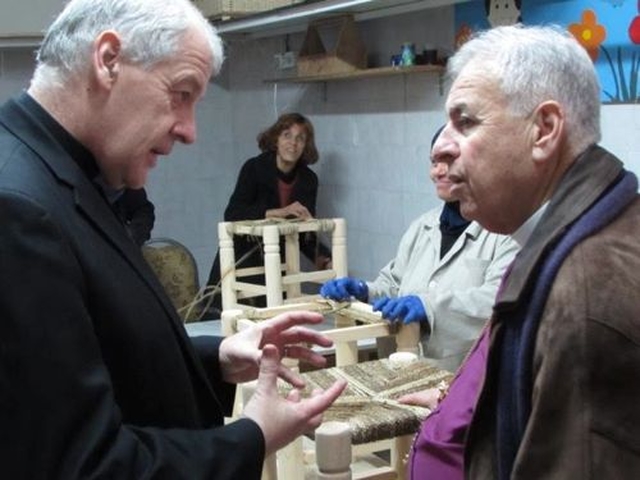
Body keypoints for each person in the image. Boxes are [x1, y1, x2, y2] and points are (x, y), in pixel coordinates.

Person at [0, 1, 346, 478]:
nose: (189, 131)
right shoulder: (17, 206)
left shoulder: (67, 176)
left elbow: (93, 361)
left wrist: (216, 357)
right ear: (108, 60)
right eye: (181, 94)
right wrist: (253, 435)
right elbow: (85, 465)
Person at [406, 24, 640, 479]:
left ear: (544, 130)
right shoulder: (569, 237)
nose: (441, 146)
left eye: (466, 122)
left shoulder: (584, 288)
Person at [320, 128, 518, 372]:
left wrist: (428, 307)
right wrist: (364, 292)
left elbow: (496, 303)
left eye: (450, 161)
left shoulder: (505, 232)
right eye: (434, 162)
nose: (439, 171)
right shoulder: (423, 227)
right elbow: (394, 285)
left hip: (468, 383)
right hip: (408, 373)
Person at [205, 113, 332, 317]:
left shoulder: (309, 179)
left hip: (274, 265)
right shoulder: (253, 168)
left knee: (269, 329)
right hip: (240, 261)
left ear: (306, 145)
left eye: (300, 138)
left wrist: (325, 260)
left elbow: (303, 236)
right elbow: (233, 213)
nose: (293, 143)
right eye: (287, 135)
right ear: (275, 139)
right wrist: (280, 212)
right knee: (224, 324)